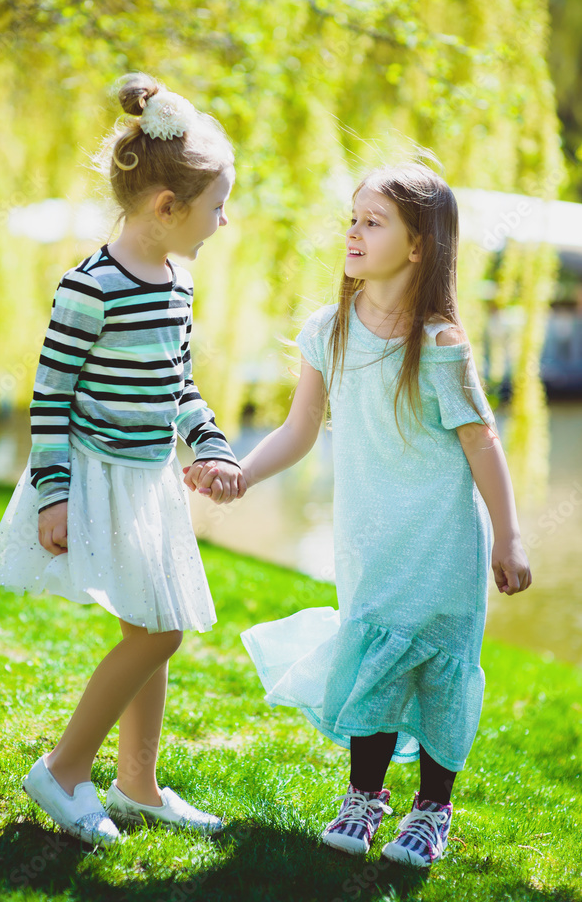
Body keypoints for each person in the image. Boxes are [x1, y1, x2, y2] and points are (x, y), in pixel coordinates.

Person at [189, 161, 532, 868]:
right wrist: (241, 475)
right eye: (353, 218)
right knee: (374, 659)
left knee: (438, 671)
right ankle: (364, 798)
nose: (353, 232)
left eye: (373, 222)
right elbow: (299, 429)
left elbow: (482, 441)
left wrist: (510, 536)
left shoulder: (439, 344)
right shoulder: (329, 330)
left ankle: (431, 809)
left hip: (442, 542)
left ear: (419, 246)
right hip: (371, 542)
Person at [0, 72, 245, 846]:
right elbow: (50, 396)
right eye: (215, 207)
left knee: (152, 624)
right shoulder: (90, 287)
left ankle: (137, 784)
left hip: (149, 479)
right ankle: (63, 769)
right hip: (98, 478)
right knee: (160, 631)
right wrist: (55, 495)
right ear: (167, 207)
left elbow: (177, 383)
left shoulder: (178, 283)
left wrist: (211, 443)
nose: (224, 221)